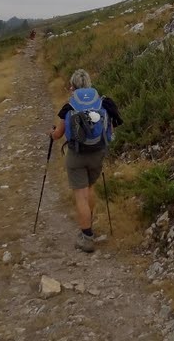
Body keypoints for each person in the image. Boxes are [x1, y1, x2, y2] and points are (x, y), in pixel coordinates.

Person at [50, 69, 123, 253]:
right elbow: (111, 131)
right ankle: (89, 224)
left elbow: (58, 135)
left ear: (72, 87)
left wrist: (51, 133)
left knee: (80, 195)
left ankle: (87, 237)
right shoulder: (102, 103)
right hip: (97, 154)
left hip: (76, 156)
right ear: (89, 84)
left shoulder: (69, 106)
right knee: (90, 188)